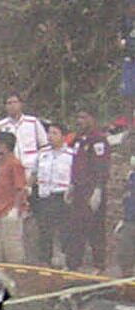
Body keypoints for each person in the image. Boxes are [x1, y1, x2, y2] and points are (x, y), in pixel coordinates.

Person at [66, 110, 111, 272]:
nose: (80, 120)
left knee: (95, 228)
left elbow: (102, 166)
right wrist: (71, 184)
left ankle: (99, 265)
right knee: (75, 227)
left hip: (92, 190)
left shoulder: (98, 140)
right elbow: (76, 164)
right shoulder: (78, 140)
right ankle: (73, 264)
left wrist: (98, 189)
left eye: (84, 117)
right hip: (78, 190)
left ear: (93, 118)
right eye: (78, 117)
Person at [29, 122, 72, 267]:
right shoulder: (42, 154)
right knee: (44, 230)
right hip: (44, 197)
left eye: (55, 133)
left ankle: (66, 259)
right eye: (49, 133)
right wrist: (28, 188)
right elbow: (34, 174)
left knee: (64, 230)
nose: (50, 136)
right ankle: (45, 260)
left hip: (62, 197)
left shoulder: (71, 155)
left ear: (63, 137)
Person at [0, 131, 27, 265]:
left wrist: (15, 209)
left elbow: (20, 188)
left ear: (5, 146)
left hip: (9, 211)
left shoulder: (14, 164)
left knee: (12, 248)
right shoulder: (1, 163)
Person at [0, 94, 47, 186]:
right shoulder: (2, 126)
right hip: (12, 171)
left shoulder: (33, 122)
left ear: (21, 104)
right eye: (9, 103)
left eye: (15, 102)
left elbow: (44, 145)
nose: (12, 106)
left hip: (31, 169)